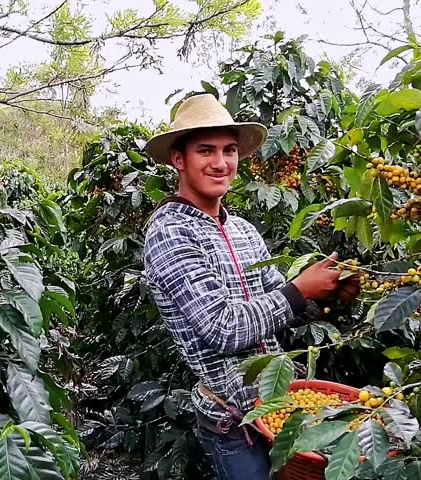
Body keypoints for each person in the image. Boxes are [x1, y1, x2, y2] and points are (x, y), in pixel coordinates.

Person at [141, 94, 361, 479]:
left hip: (278, 407)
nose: (220, 163)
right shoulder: (169, 231)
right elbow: (222, 329)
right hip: (231, 420)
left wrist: (327, 295)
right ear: (179, 159)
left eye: (229, 150)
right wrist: (299, 290)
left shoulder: (242, 230)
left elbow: (282, 309)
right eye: (205, 150)